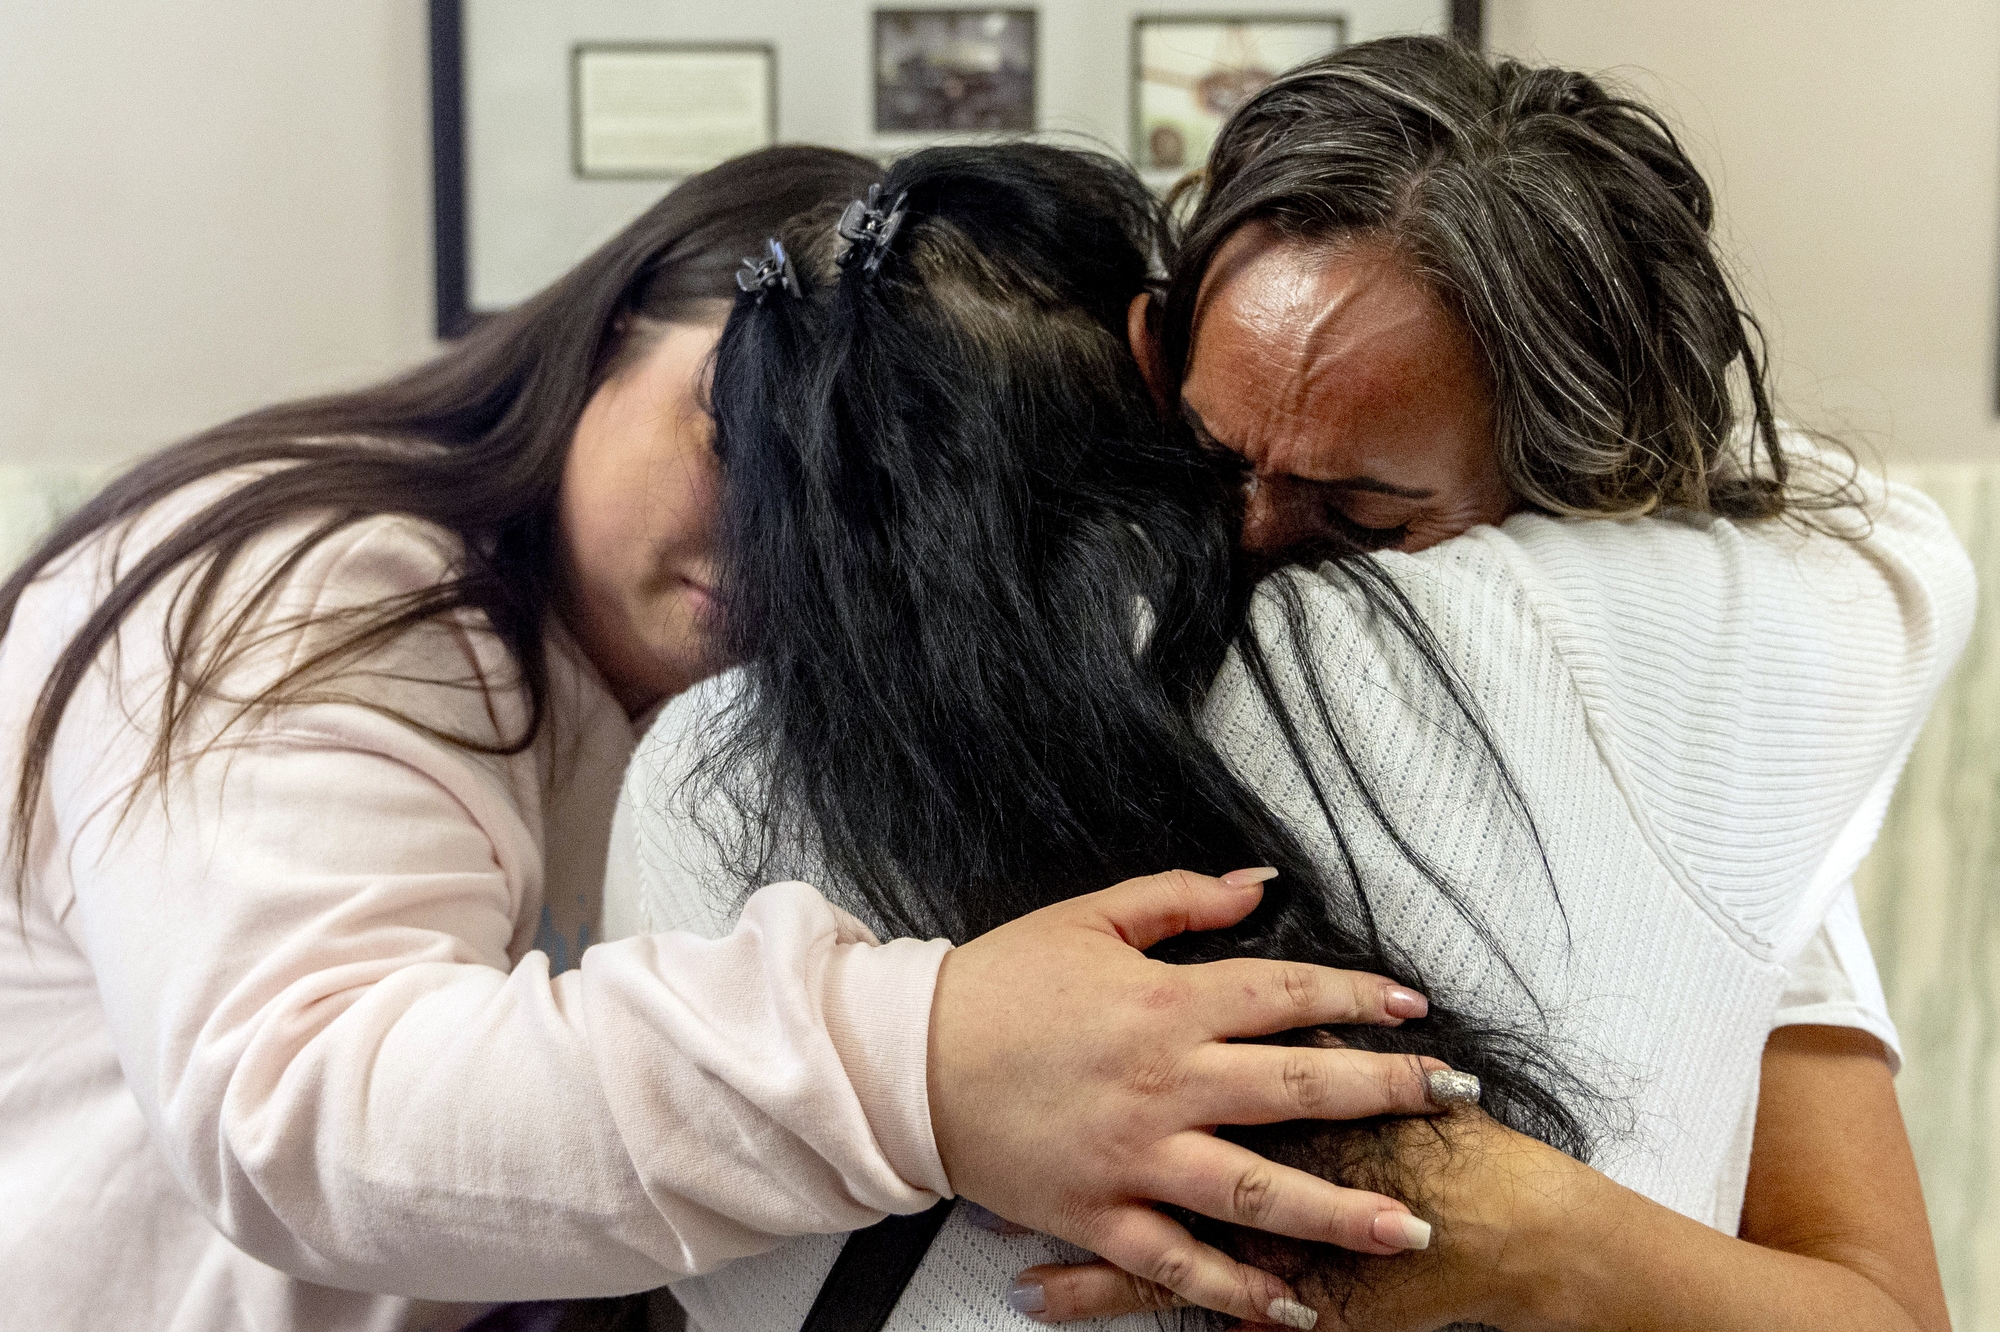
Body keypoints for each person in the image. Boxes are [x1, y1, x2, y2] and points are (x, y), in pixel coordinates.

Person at [0, 145, 1463, 1332]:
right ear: (622, 322)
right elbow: (305, 1108)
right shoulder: (316, 582)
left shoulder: (749, 720)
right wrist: (934, 1065)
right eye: (736, 440)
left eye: (865, 517)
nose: (778, 549)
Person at [612, 139, 1966, 1332]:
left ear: (1581, 496)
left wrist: (1545, 1238)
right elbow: (1892, 552)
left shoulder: (699, 758)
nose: (1246, 542)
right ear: (1153, 356)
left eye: (1364, 520)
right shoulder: (1689, 679)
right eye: (1202, 459)